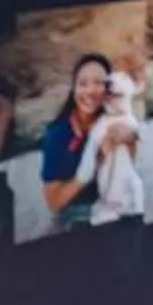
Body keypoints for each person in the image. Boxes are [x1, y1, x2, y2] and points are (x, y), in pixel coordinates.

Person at [40, 53, 140, 231]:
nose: (90, 90)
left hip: (111, 208)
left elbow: (127, 170)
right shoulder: (57, 134)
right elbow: (54, 202)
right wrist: (85, 173)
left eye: (99, 83)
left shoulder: (115, 122)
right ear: (74, 89)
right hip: (71, 214)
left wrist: (131, 139)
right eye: (83, 84)